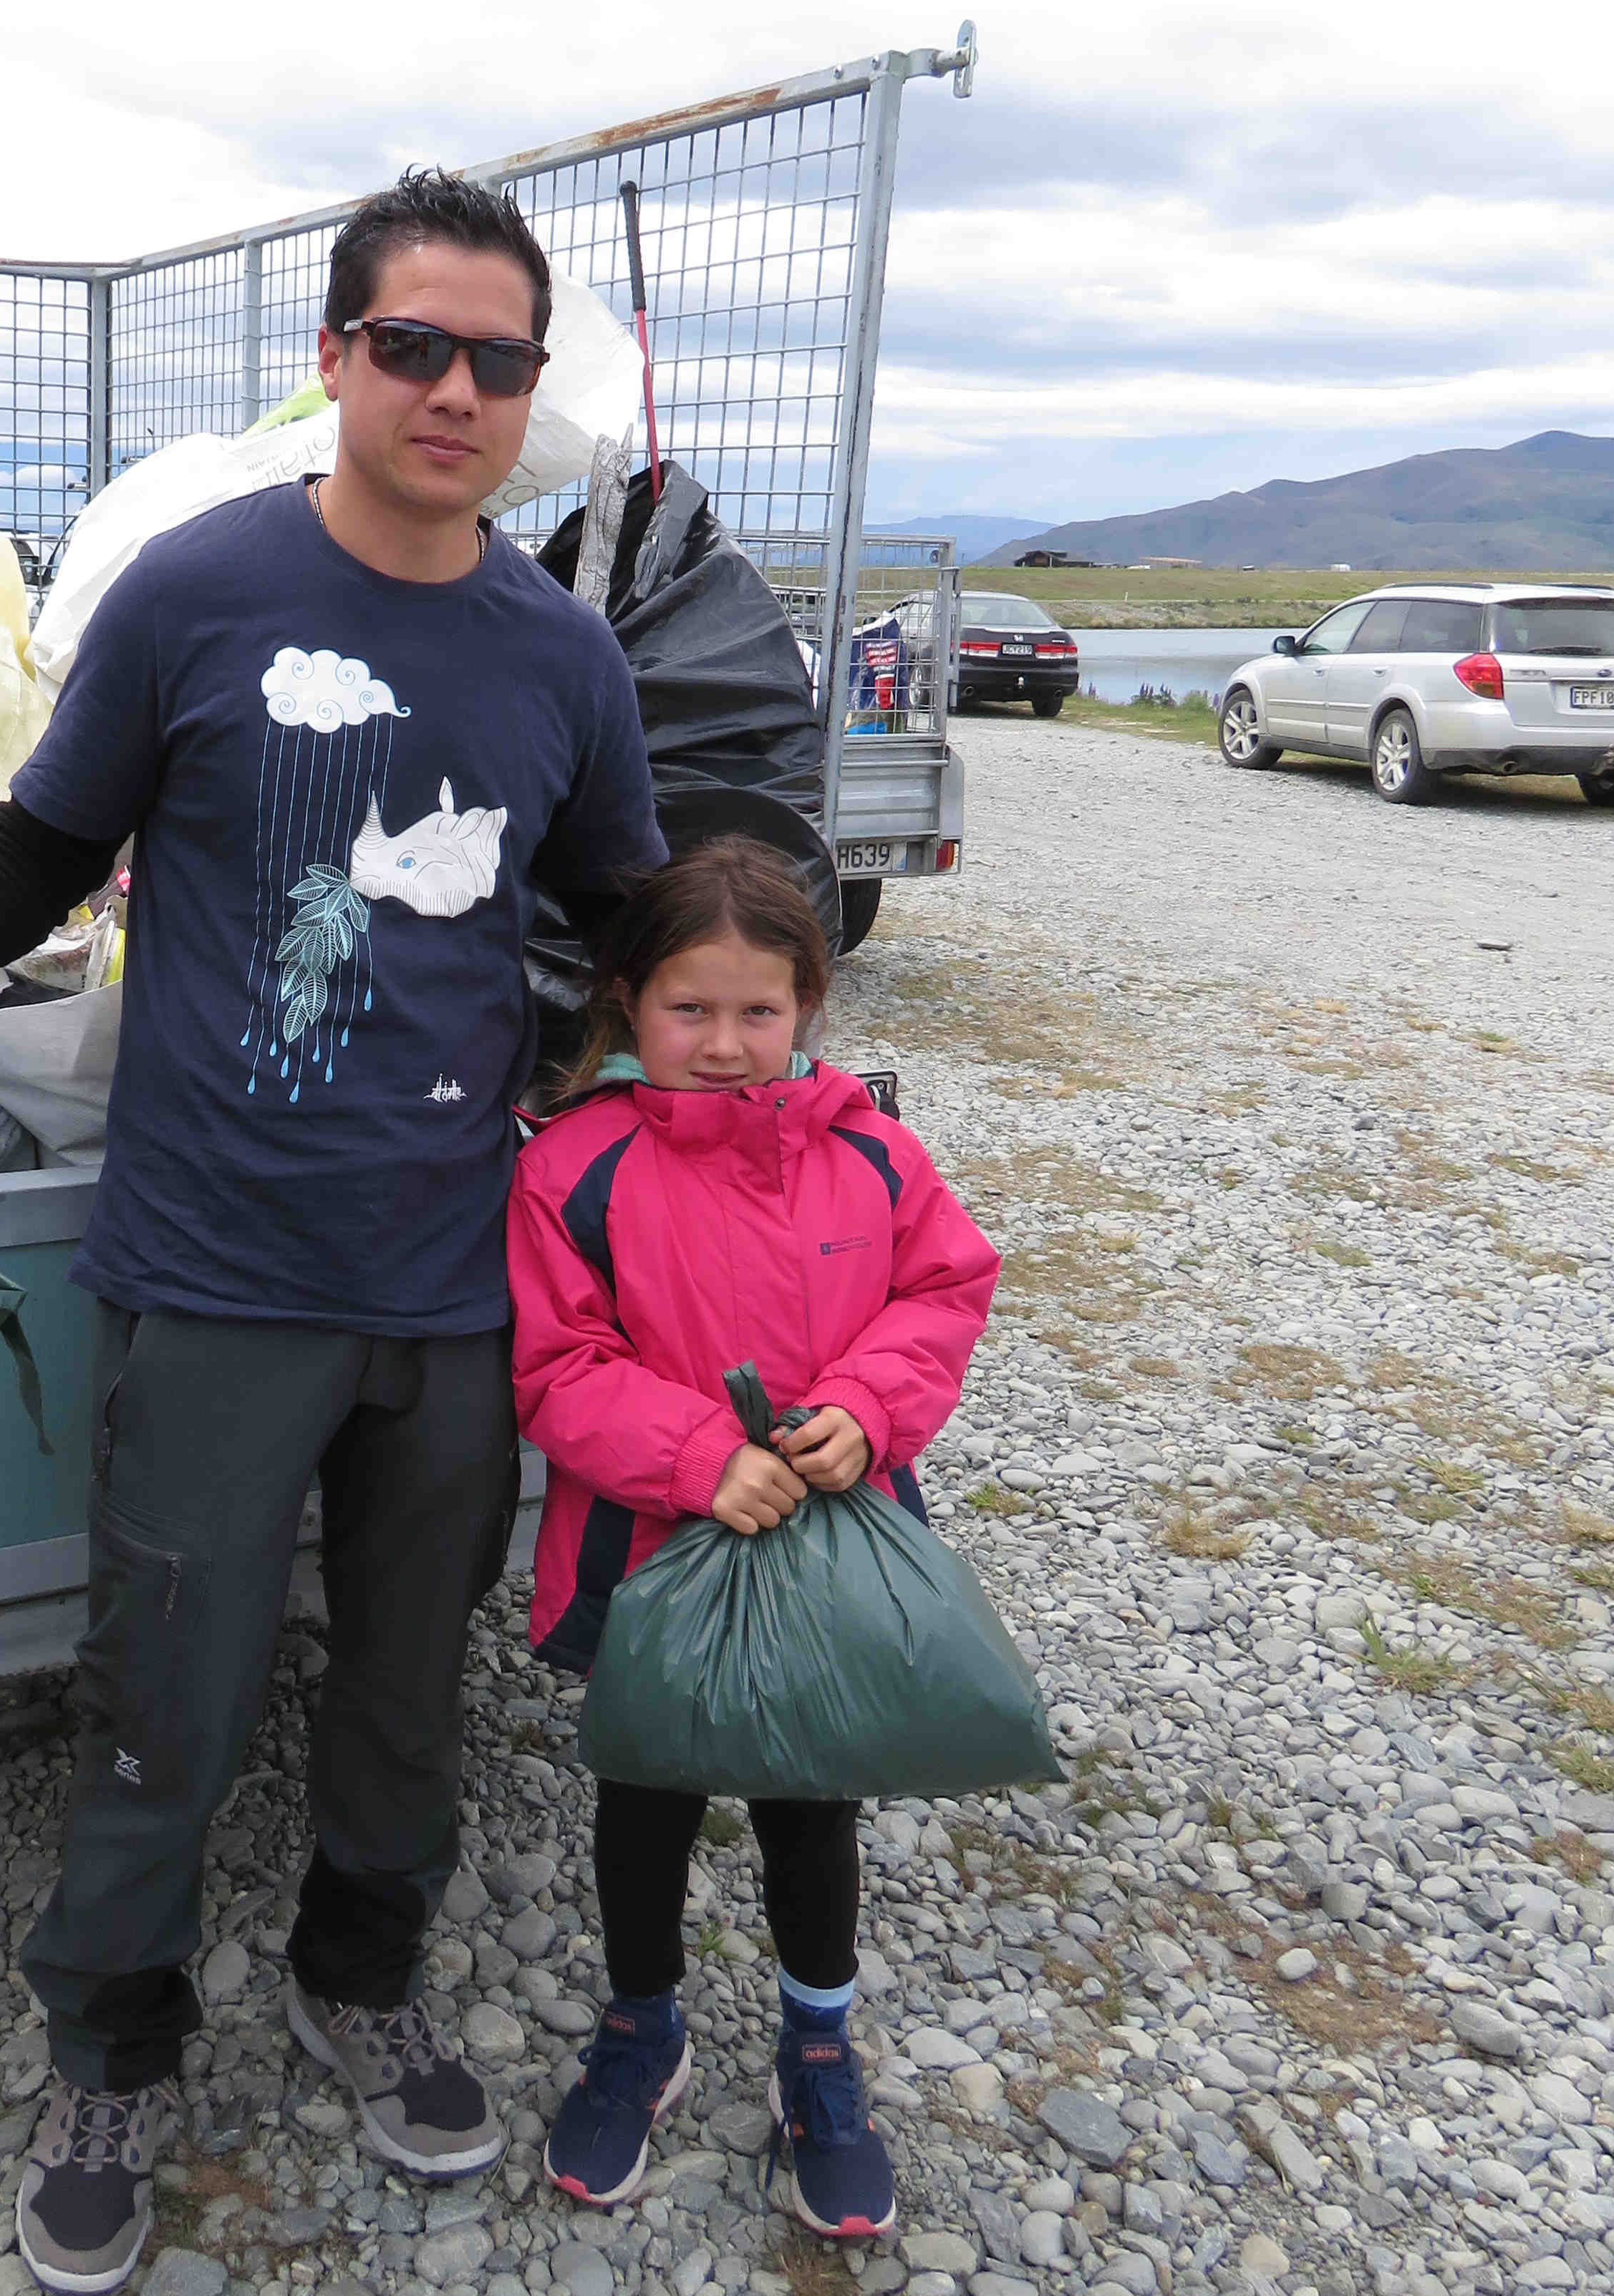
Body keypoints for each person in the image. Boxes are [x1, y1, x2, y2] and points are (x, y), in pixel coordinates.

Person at [0, 170, 665, 2295]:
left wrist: (756, 1057)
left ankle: (363, 1974)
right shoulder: (200, 595)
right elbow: (44, 841)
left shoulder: (561, 652)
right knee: (172, 1685)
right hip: (221, 1268)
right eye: (410, 346)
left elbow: (628, 915)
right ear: (335, 359)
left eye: (495, 361)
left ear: (530, 396)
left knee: (412, 1695)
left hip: (446, 1286)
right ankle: (112, 2046)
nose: (452, 390)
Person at [504, 838, 1000, 2238]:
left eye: (759, 1012)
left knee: (810, 1803)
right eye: (689, 1009)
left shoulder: (874, 1151)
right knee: (646, 1797)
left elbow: (942, 1294)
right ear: (624, 1001)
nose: (724, 1043)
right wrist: (693, 1454)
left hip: (828, 1559)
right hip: (647, 1556)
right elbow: (556, 1368)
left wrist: (868, 1405)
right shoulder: (573, 1171)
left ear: (810, 1005)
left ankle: (820, 2042)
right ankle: (642, 2021)